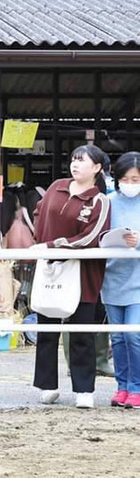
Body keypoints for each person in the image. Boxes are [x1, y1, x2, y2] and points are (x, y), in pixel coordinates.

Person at [31, 145, 111, 409]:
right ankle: (48, 385)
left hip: (82, 271)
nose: (75, 165)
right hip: (50, 266)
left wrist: (53, 245)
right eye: (74, 160)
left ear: (97, 168)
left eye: (83, 161)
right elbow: (38, 213)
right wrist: (41, 244)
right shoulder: (57, 186)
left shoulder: (99, 200)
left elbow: (91, 237)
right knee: (47, 329)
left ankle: (84, 389)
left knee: (80, 331)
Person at [100, 151, 140, 408]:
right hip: (111, 279)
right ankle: (122, 386)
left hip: (138, 280)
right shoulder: (108, 201)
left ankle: (137, 387)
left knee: (133, 335)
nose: (131, 184)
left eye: (136, 179)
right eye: (126, 178)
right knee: (116, 338)